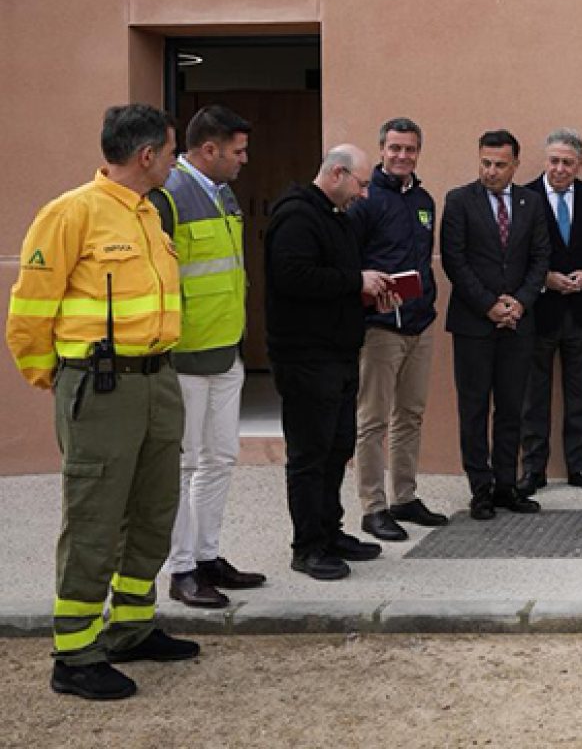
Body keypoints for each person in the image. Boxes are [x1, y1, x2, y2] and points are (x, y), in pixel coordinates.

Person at [7, 105, 198, 700]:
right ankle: (76, 652)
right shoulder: (71, 214)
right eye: (170, 152)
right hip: (102, 386)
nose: (174, 161)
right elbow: (30, 310)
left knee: (153, 508)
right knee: (95, 516)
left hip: (156, 381)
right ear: (147, 157)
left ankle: (132, 627)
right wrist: (61, 382)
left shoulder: (149, 215)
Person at [148, 105, 265, 608]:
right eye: (237, 151)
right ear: (209, 149)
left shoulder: (224, 193)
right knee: (183, 464)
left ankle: (208, 555)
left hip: (225, 352)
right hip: (183, 358)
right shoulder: (168, 197)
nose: (245, 159)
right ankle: (180, 569)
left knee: (219, 459)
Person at [264, 145, 392, 581]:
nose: (364, 194)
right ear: (337, 174)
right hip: (305, 356)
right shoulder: (297, 216)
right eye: (360, 183)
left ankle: (330, 530)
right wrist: (356, 280)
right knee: (310, 453)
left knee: (337, 446)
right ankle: (308, 546)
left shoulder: (336, 217)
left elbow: (334, 278)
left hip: (337, 353)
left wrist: (364, 288)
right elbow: (293, 276)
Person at [348, 117, 449, 543]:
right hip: (380, 328)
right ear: (382, 150)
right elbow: (347, 260)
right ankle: (373, 507)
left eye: (410, 149)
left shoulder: (424, 199)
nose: (402, 156)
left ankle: (404, 496)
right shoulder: (365, 200)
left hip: (419, 323)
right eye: (395, 149)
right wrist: (366, 281)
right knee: (372, 420)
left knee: (410, 414)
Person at [441, 130, 549, 520]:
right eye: (485, 162)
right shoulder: (458, 201)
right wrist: (489, 305)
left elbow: (540, 258)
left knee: (511, 407)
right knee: (473, 408)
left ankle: (507, 484)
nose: (491, 171)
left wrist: (519, 302)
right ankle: (480, 488)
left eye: (500, 164)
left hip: (519, 322)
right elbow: (455, 262)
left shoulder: (531, 203)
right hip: (474, 323)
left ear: (515, 165)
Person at [519, 128, 582, 496]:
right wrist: (544, 278)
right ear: (544, 160)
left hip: (581, 311)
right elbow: (514, 255)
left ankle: (579, 465)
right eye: (553, 161)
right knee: (534, 395)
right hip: (538, 311)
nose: (559, 168)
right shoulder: (524, 197)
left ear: (579, 164)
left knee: (581, 394)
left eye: (567, 162)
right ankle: (533, 469)